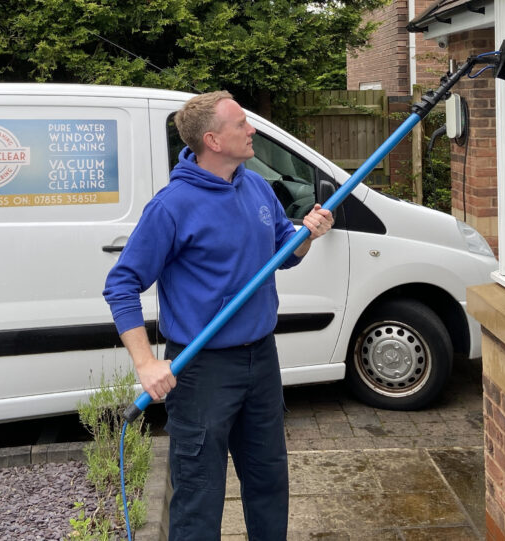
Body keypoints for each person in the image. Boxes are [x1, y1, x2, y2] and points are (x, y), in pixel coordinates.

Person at [103, 90, 334, 540]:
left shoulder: (257, 187)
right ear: (212, 139)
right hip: (202, 368)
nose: (252, 130)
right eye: (241, 124)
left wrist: (308, 234)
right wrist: (146, 363)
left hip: (261, 361)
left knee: (269, 481)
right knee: (198, 493)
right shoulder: (172, 206)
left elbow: (285, 254)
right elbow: (121, 284)